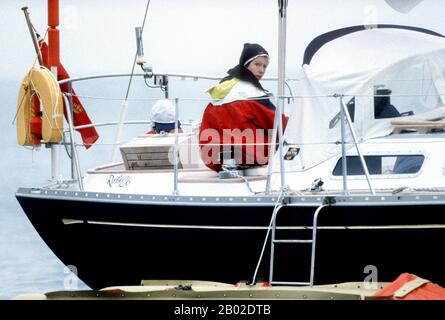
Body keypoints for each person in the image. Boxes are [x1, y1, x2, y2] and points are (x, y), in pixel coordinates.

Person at [199, 43, 289, 172]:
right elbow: (277, 123)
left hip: (214, 157)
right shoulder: (253, 94)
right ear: (246, 64)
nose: (261, 70)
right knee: (279, 138)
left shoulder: (222, 89)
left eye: (264, 66)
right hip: (248, 155)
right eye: (257, 64)